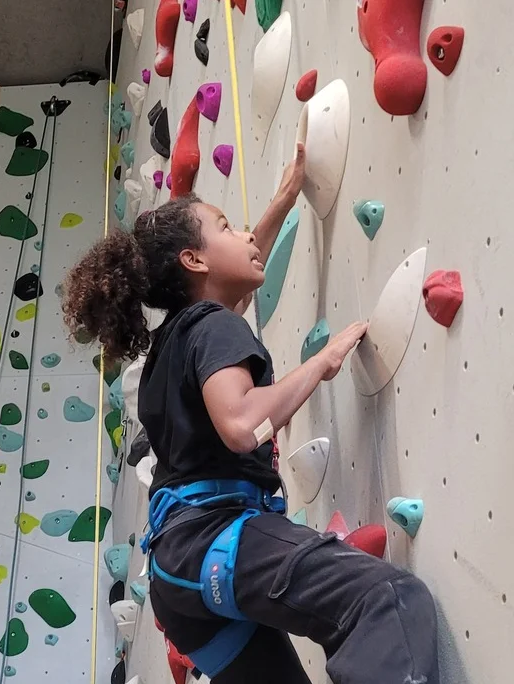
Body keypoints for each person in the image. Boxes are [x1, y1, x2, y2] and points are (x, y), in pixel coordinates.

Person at [62, 144, 439, 683]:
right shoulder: (211, 326)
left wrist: (285, 199)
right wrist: (320, 364)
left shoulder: (176, 339)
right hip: (213, 538)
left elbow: (231, 271)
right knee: (387, 600)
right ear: (194, 259)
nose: (244, 235)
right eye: (226, 226)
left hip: (183, 581)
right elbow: (242, 425)